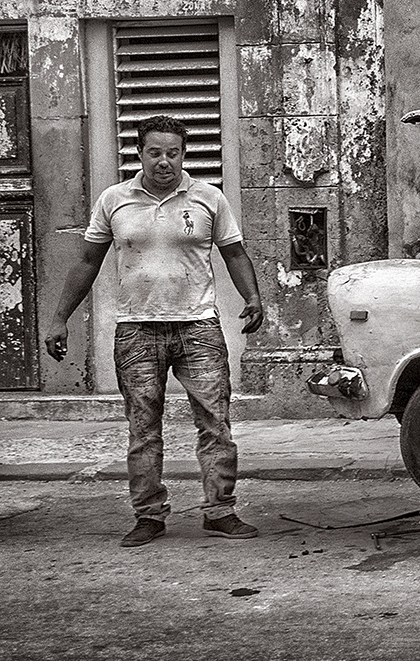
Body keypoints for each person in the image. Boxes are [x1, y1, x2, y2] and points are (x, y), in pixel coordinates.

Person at [43, 114, 265, 547]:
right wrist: (59, 318)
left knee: (215, 422)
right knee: (143, 427)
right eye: (155, 152)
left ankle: (220, 510)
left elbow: (235, 254)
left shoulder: (208, 198)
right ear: (139, 152)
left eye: (173, 153)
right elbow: (87, 262)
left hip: (198, 327)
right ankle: (148, 515)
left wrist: (253, 298)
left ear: (184, 154)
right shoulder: (114, 200)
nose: (164, 161)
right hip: (136, 330)